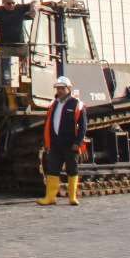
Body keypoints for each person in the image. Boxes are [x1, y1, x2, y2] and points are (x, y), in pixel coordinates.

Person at [38, 76, 87, 206]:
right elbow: (48, 124)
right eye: (58, 88)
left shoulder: (77, 104)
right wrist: (47, 142)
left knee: (72, 169)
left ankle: (72, 197)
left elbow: (83, 126)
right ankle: (50, 197)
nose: (59, 91)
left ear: (68, 89)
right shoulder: (53, 104)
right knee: (52, 170)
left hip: (71, 145)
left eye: (62, 88)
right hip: (55, 144)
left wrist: (78, 142)